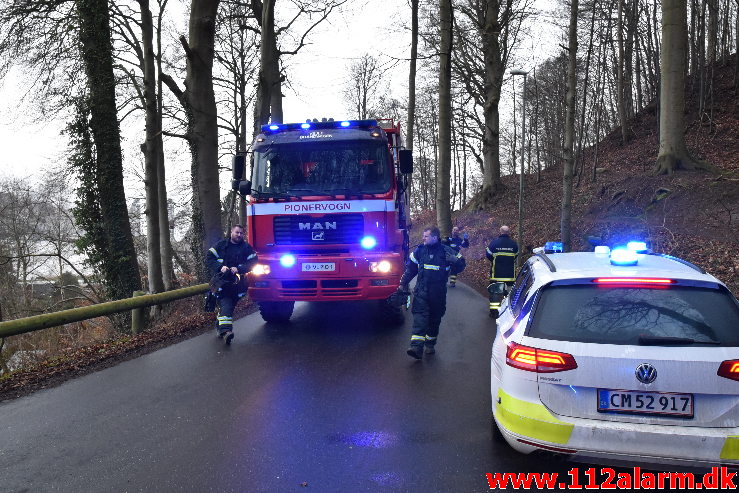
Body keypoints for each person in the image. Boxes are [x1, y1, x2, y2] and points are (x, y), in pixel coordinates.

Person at [398, 226, 466, 359]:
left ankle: (430, 344)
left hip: (438, 294)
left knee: (434, 320)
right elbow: (410, 270)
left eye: (426, 236)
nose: (423, 238)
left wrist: (455, 260)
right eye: (423, 236)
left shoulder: (446, 251)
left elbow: (462, 265)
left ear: (435, 237)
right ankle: (416, 347)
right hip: (421, 292)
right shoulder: (420, 251)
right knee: (419, 318)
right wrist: (402, 283)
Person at [205, 225, 258, 344]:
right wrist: (220, 267)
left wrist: (239, 268)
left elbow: (254, 261)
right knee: (227, 304)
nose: (239, 235)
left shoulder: (246, 248)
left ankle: (220, 324)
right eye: (236, 232)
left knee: (229, 307)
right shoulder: (221, 245)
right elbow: (209, 257)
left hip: (238, 285)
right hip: (222, 283)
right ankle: (226, 332)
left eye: (241, 233)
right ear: (231, 232)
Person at [485, 225, 519, 318]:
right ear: (508, 232)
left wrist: (496, 260)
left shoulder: (494, 243)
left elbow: (488, 255)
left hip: (496, 275)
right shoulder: (514, 244)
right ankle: (508, 315)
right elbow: (516, 256)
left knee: (495, 295)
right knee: (509, 296)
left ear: (500, 232)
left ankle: (494, 313)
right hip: (510, 276)